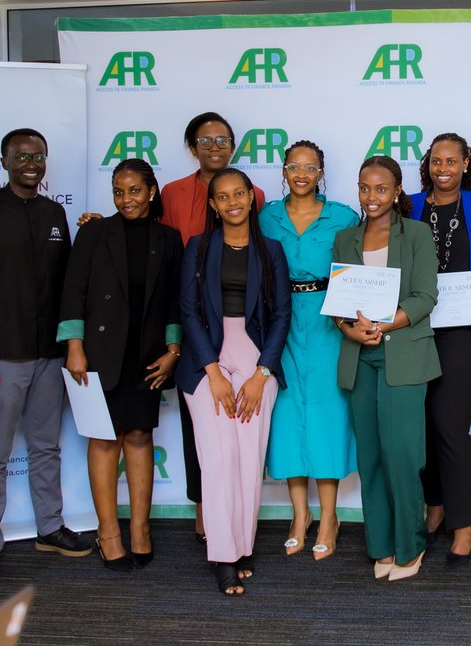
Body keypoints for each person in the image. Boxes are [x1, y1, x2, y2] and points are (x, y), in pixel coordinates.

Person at [0, 128, 92, 589]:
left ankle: (49, 529)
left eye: (38, 156)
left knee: (46, 447)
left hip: (49, 356)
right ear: (4, 160)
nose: (31, 163)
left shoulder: (55, 213)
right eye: (22, 156)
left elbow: (69, 285)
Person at [57, 158, 183, 571]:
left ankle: (140, 530)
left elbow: (172, 301)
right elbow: (73, 291)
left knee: (140, 437)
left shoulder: (169, 238)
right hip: (98, 354)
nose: (125, 199)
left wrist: (172, 350)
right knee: (104, 440)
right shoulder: (93, 232)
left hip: (147, 357)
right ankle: (108, 533)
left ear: (151, 191)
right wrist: (74, 345)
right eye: (118, 191)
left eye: (133, 190)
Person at [176, 168, 290, 596]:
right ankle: (224, 557)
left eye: (238, 193)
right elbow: (188, 310)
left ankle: (242, 548)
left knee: (247, 458)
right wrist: (212, 370)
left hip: (257, 358)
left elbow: (281, 315)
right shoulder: (197, 247)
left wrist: (263, 373)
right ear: (213, 205)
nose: (232, 202)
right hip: (207, 359)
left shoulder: (271, 251)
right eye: (222, 197)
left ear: (251, 197)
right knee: (218, 458)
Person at [332, 156, 440, 582]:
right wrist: (351, 328)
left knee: (402, 455)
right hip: (360, 358)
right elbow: (337, 300)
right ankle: (381, 544)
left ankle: (410, 546)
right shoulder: (345, 238)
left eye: (380, 189)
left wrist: (383, 323)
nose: (371, 197)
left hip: (404, 354)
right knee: (371, 457)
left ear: (397, 191)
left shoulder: (416, 234)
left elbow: (425, 296)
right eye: (364, 188)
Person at [160, 112, 265, 545]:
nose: (215, 146)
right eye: (205, 140)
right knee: (201, 434)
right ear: (192, 146)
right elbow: (158, 244)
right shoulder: (172, 193)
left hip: (243, 328)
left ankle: (232, 526)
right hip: (191, 320)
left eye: (223, 139)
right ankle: (206, 510)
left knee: (239, 443)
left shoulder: (254, 193)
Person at [259, 140, 359, 560]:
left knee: (326, 417)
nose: (302, 174)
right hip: (279, 321)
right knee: (287, 418)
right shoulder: (266, 216)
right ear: (284, 171)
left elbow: (359, 270)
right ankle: (299, 517)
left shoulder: (343, 216)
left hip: (328, 322)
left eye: (311, 167)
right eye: (294, 166)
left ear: (321, 173)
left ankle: (330, 516)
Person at [410, 132, 471, 567]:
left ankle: (464, 522)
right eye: (436, 161)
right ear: (428, 164)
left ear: (466, 163)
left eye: (451, 161)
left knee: (450, 428)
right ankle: (435, 507)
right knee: (422, 430)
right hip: (412, 330)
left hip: (463, 334)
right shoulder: (408, 204)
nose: (443, 168)